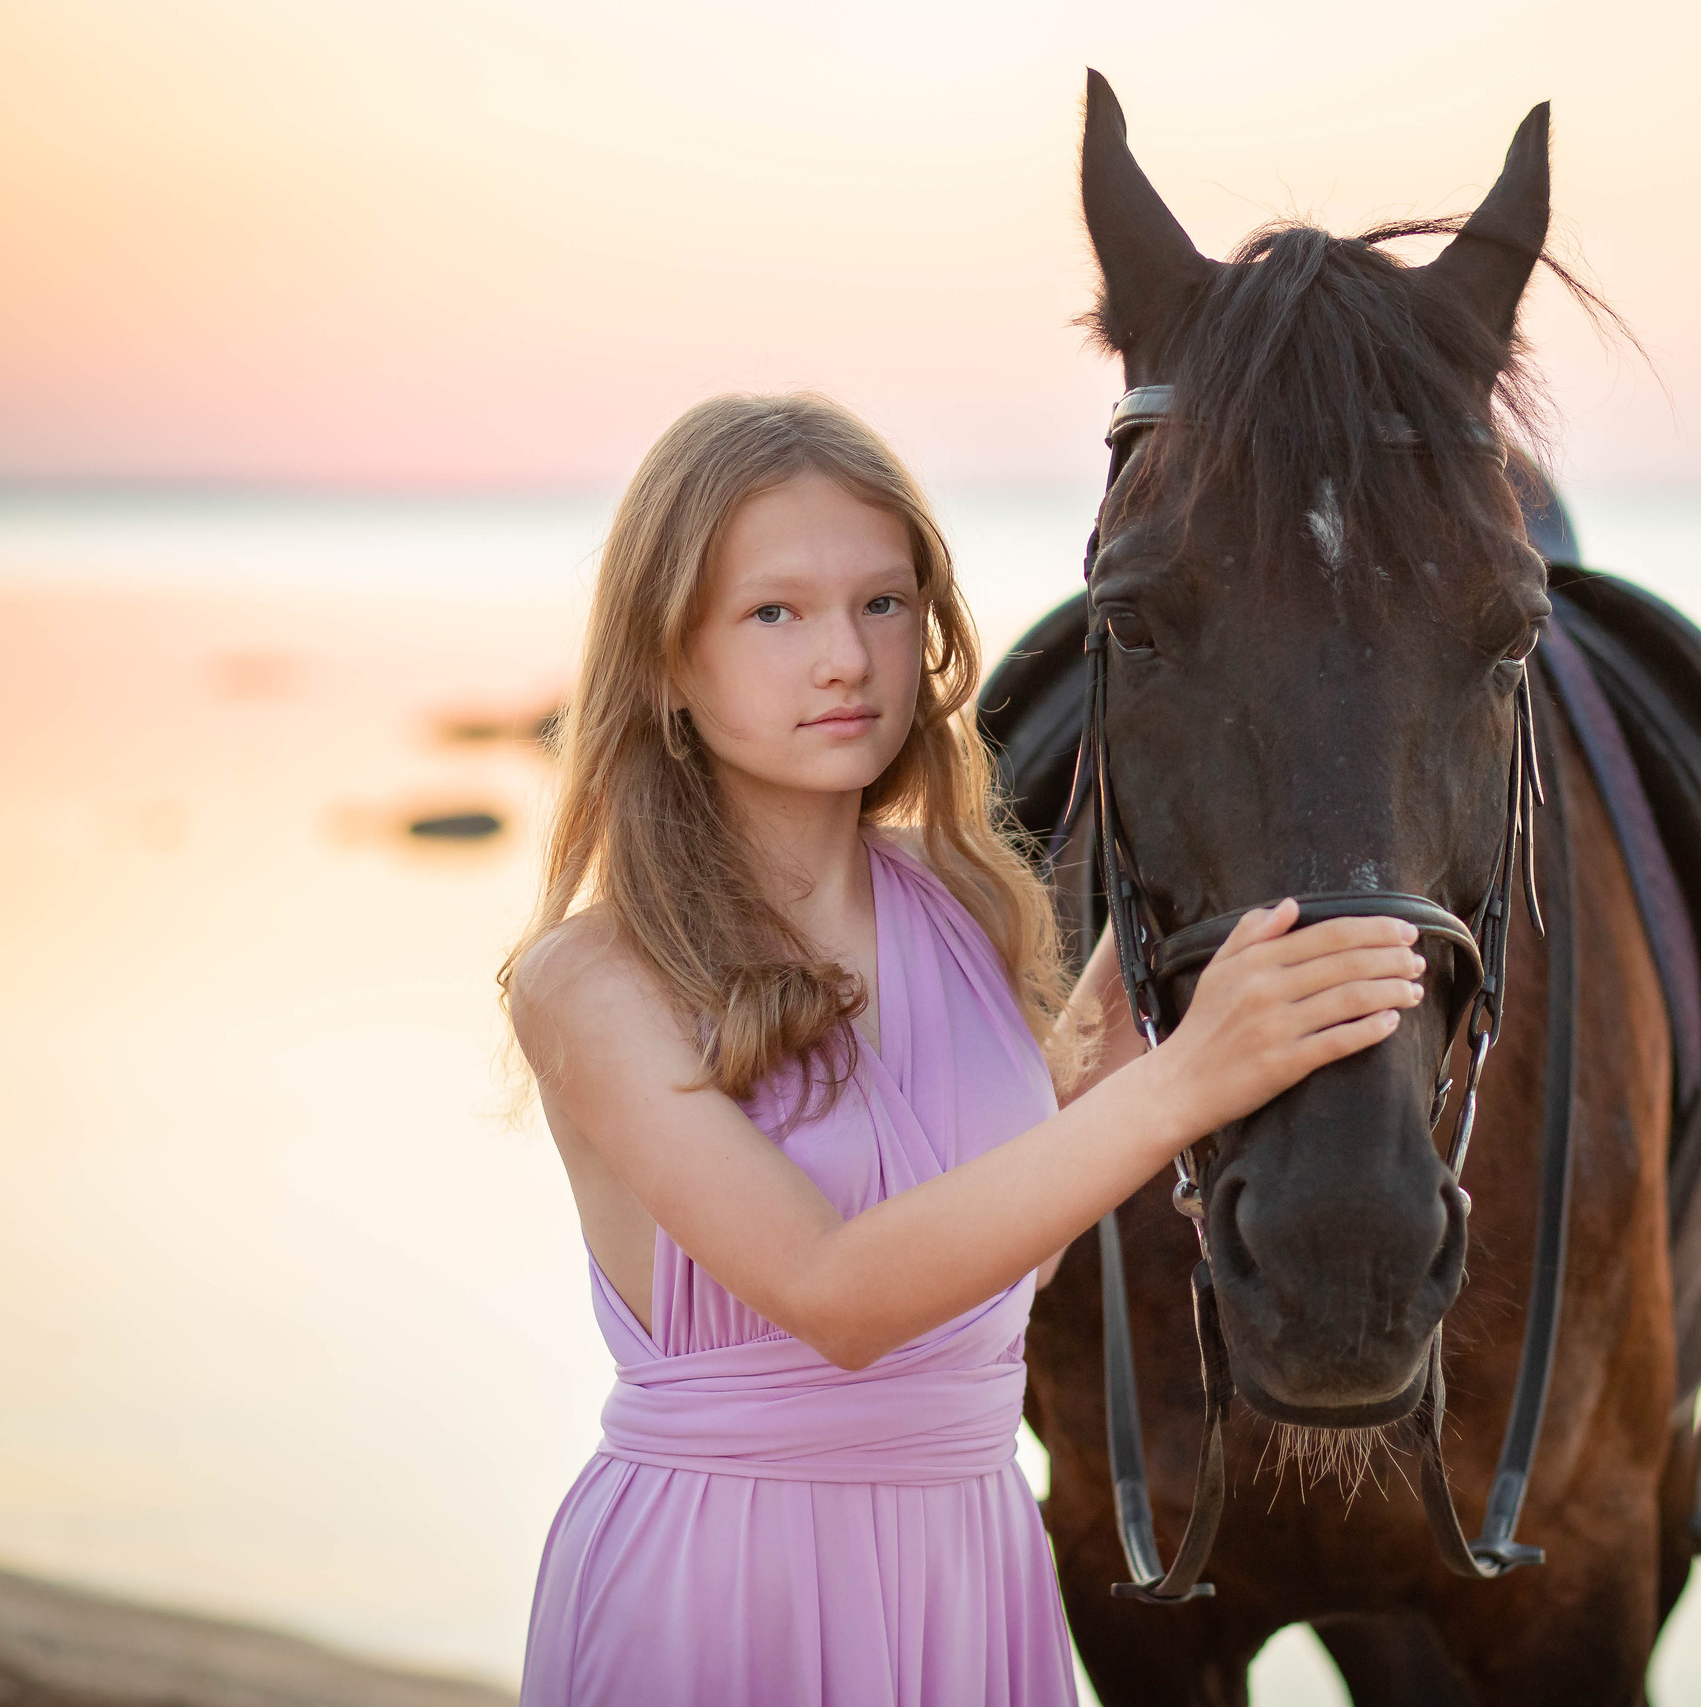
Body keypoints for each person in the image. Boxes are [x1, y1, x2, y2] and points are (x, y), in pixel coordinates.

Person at [501, 393, 1426, 1705]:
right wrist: (1186, 1079)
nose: (847, 661)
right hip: (726, 1587)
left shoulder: (967, 899)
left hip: (970, 1566)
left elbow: (1006, 1256)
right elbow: (837, 1295)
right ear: (667, 657)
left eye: (885, 604)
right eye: (776, 612)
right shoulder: (591, 980)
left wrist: (1162, 976)